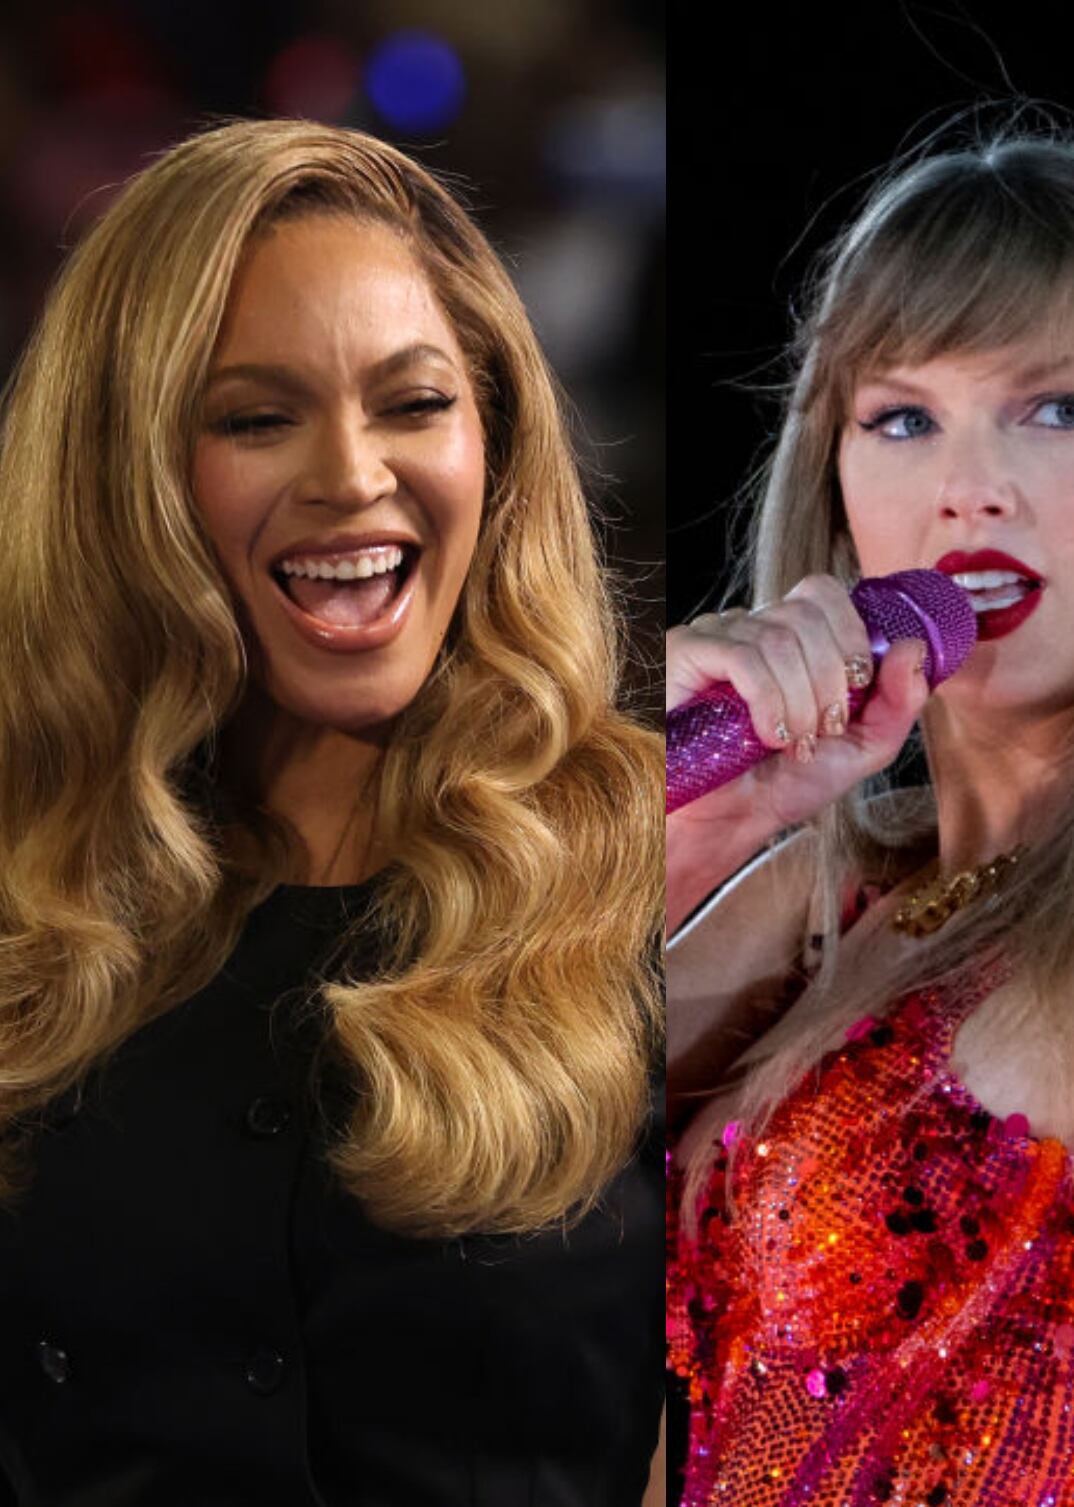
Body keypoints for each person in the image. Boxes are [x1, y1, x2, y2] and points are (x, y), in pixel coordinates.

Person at [663, 129, 1074, 1503]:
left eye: (1060, 407)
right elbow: (448, 1166)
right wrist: (695, 832)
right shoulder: (822, 894)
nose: (968, 486)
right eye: (902, 419)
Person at [0, 120, 666, 1502]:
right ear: (125, 479)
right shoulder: (26, 884)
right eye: (256, 418)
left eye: (413, 404)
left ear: (495, 435)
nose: (353, 476)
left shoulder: (665, 868)